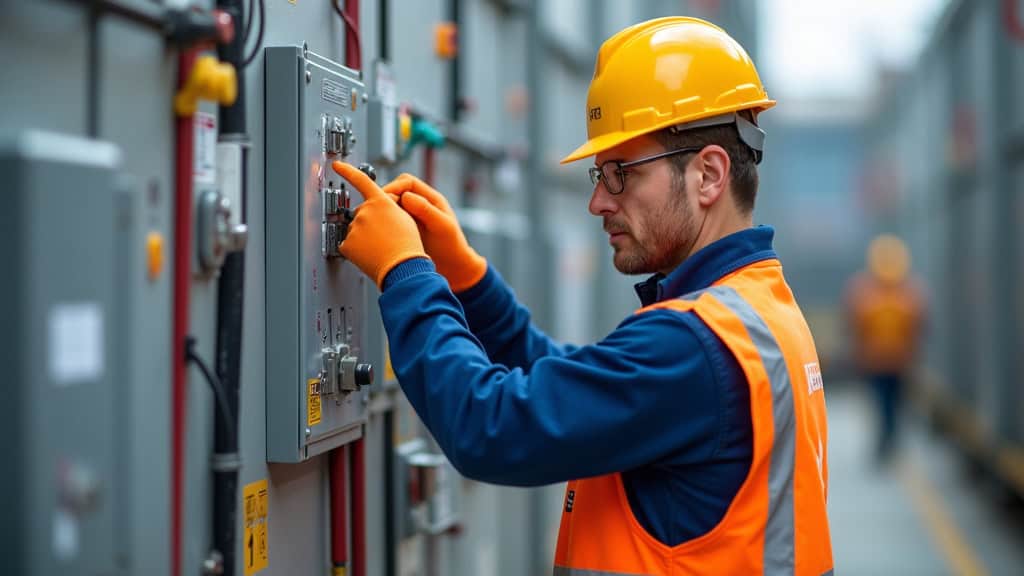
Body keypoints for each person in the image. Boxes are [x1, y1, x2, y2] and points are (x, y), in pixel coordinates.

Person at [333, 17, 833, 575]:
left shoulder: (694, 345)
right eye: (600, 173)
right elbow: (575, 383)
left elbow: (491, 426)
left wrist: (406, 273)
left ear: (708, 175)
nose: (597, 201)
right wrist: (466, 280)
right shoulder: (758, 314)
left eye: (619, 173)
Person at [844, 234, 926, 463]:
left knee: (891, 403)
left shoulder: (868, 292)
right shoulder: (906, 293)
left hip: (892, 362)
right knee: (884, 403)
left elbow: (917, 327)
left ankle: (888, 440)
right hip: (880, 363)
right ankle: (887, 440)